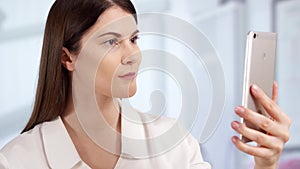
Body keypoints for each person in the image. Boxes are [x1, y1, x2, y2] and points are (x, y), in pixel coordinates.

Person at [0, 0, 291, 169]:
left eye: (134, 39)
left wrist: (265, 166)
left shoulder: (173, 142)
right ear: (67, 58)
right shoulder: (17, 161)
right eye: (112, 41)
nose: (132, 55)